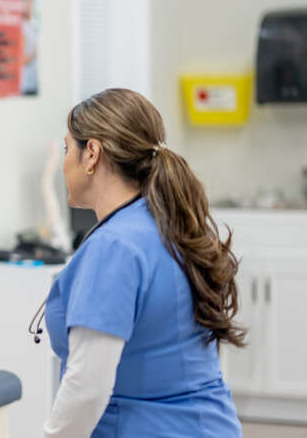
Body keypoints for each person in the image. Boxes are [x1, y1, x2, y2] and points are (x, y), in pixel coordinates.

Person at [40, 88, 244, 437]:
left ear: (92, 153)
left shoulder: (115, 247)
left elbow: (87, 387)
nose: (62, 163)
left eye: (66, 148)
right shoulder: (167, 223)